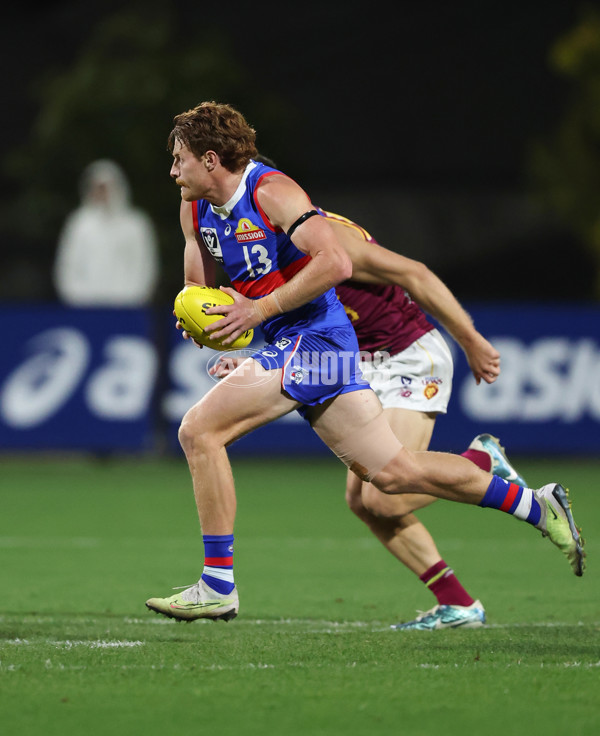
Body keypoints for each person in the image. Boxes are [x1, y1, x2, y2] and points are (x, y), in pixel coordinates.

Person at [145, 101, 585, 624]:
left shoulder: (272, 192)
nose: (173, 170)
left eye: (180, 159)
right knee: (394, 476)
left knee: (199, 431)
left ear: (211, 159)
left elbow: (337, 262)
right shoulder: (193, 208)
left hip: (322, 341)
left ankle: (218, 584)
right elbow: (200, 289)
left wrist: (256, 314)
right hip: (302, 343)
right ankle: (535, 504)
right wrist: (204, 318)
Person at [213, 155, 528, 630]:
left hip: (407, 353)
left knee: (384, 495)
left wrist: (471, 341)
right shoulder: (265, 246)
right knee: (362, 503)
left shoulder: (330, 240)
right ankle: (458, 603)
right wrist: (255, 358)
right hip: (360, 362)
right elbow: (299, 324)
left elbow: (415, 273)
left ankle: (482, 463)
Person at [53, 159, 160, 307]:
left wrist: (132, 299)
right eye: (97, 188)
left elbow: (144, 266)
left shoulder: (135, 225)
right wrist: (78, 299)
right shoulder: (79, 224)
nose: (101, 193)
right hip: (84, 307)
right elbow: (67, 266)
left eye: (105, 187)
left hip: (127, 307)